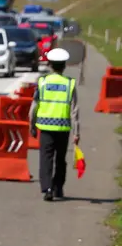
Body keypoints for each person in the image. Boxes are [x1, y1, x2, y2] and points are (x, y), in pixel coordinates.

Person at [29, 47, 80, 201]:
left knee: (46, 158)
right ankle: (58, 187)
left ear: (50, 64)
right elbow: (75, 110)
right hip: (63, 128)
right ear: (64, 66)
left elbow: (34, 107)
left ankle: (47, 188)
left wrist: (31, 125)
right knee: (60, 159)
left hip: (45, 127)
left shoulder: (42, 82)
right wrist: (77, 133)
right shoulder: (69, 84)